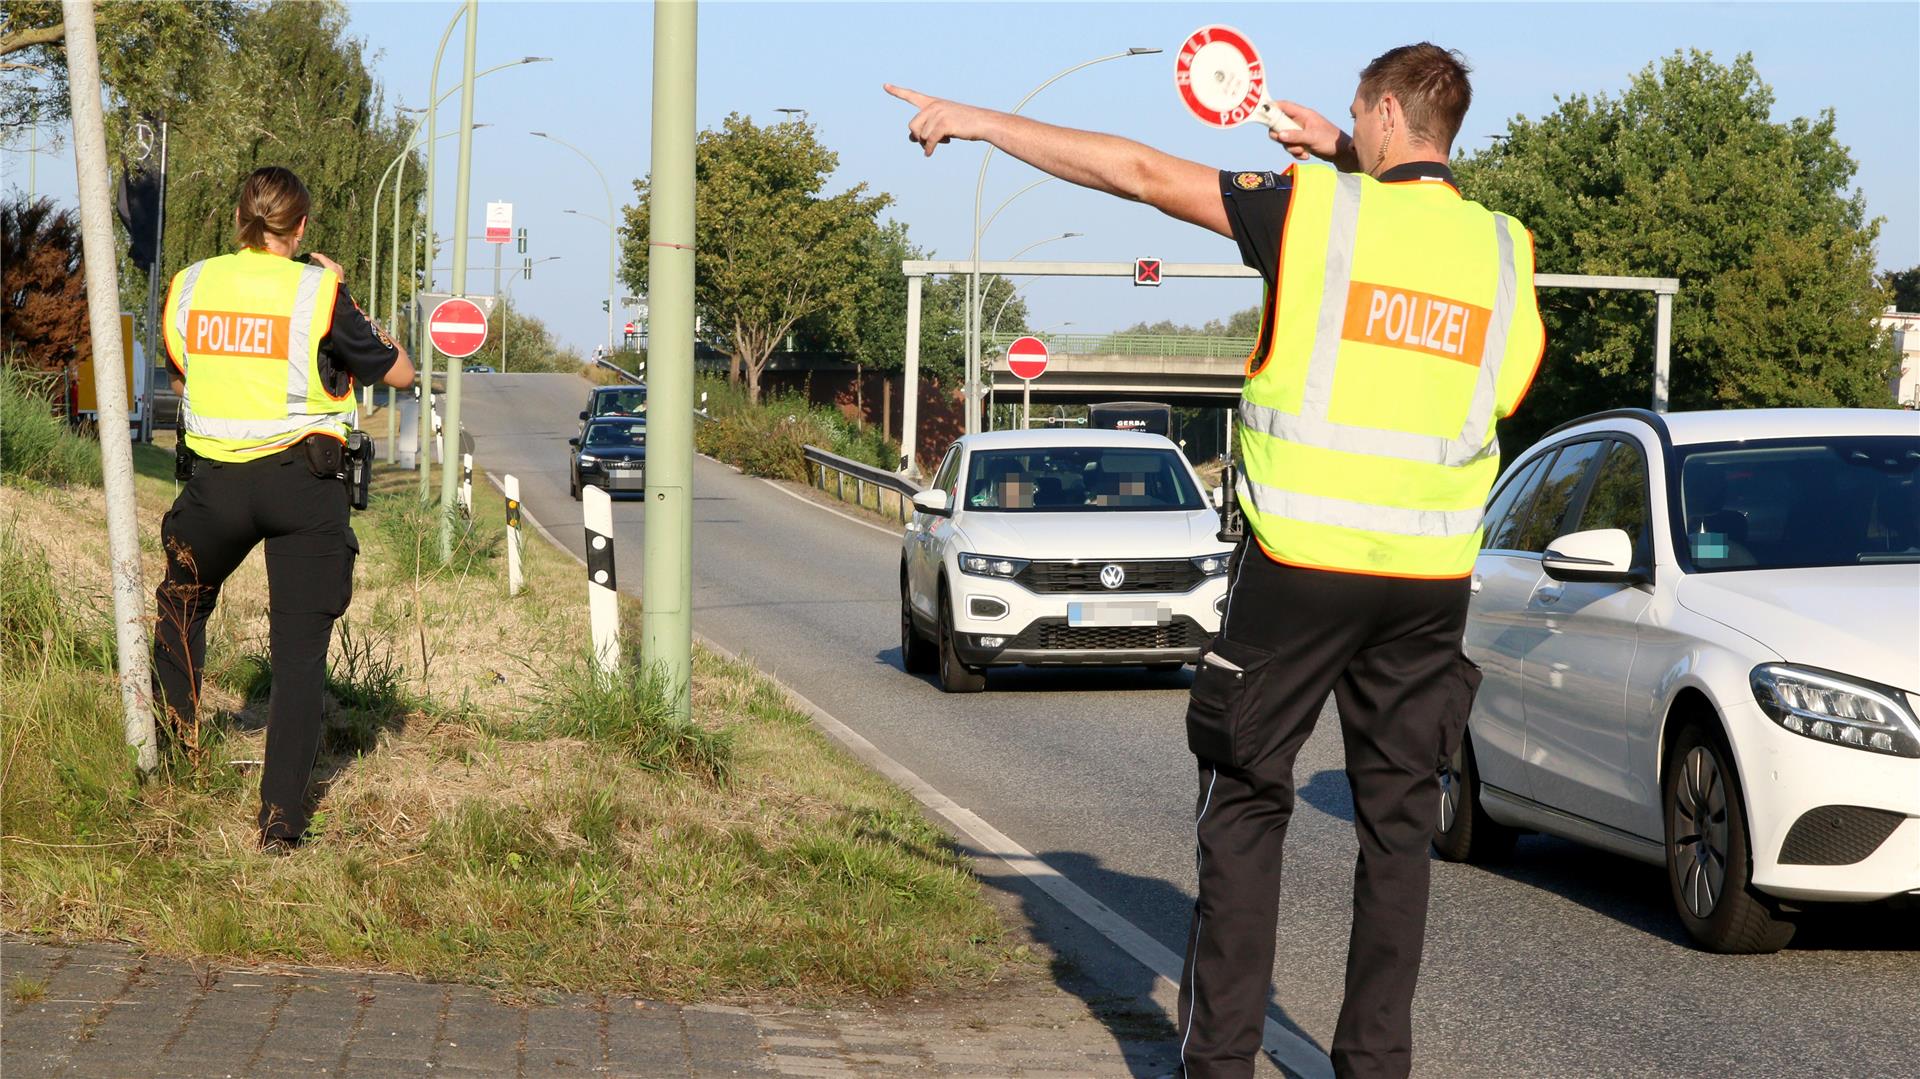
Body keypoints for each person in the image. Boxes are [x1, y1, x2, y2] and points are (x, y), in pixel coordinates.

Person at [889, 42, 1544, 1079]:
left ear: (1379, 111)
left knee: (1245, 802)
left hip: (1299, 566)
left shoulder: (1317, 213)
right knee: (1398, 829)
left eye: (1351, 115)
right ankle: (1375, 1062)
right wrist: (1338, 148)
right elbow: (1494, 384)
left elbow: (1144, 175)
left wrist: (986, 121)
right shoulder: (1504, 249)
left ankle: (1221, 1061)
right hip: (1429, 583)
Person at [153, 166, 415, 852]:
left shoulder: (192, 284)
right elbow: (401, 372)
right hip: (303, 484)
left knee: (181, 607)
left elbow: (183, 367)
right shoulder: (319, 290)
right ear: (299, 228)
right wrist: (349, 296)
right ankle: (279, 825)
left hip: (213, 486)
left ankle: (173, 767)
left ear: (242, 217)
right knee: (297, 655)